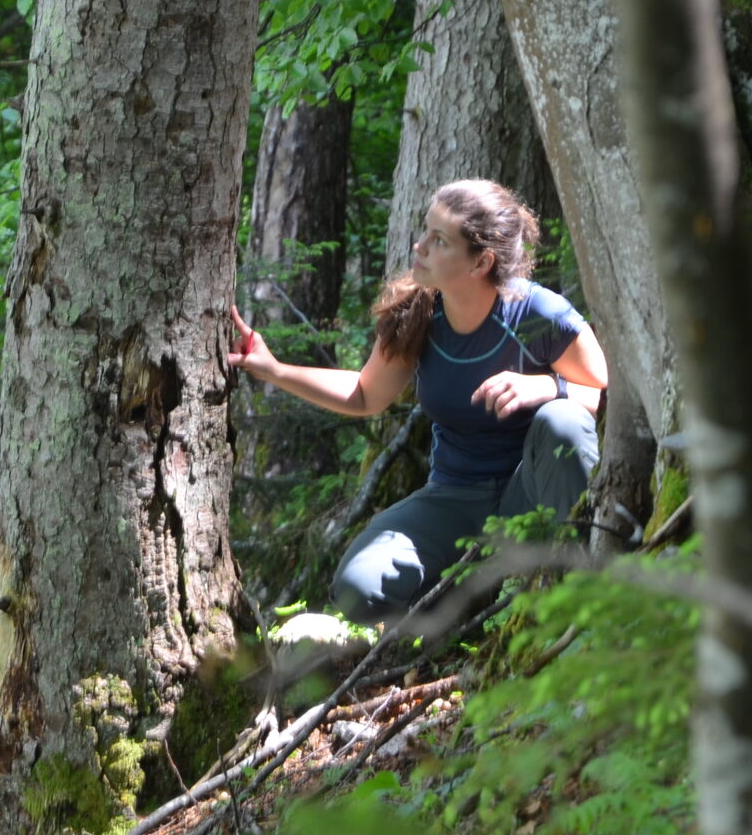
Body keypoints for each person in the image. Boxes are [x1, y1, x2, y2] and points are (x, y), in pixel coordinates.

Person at [227, 178, 610, 624]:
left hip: (532, 494)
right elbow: (365, 394)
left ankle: (585, 593)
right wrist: (275, 370)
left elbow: (602, 389)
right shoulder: (419, 314)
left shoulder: (531, 315)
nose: (419, 246)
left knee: (563, 420)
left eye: (438, 240)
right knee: (357, 589)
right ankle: (465, 606)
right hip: (454, 497)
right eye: (424, 231)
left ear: (481, 262)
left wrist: (547, 388)